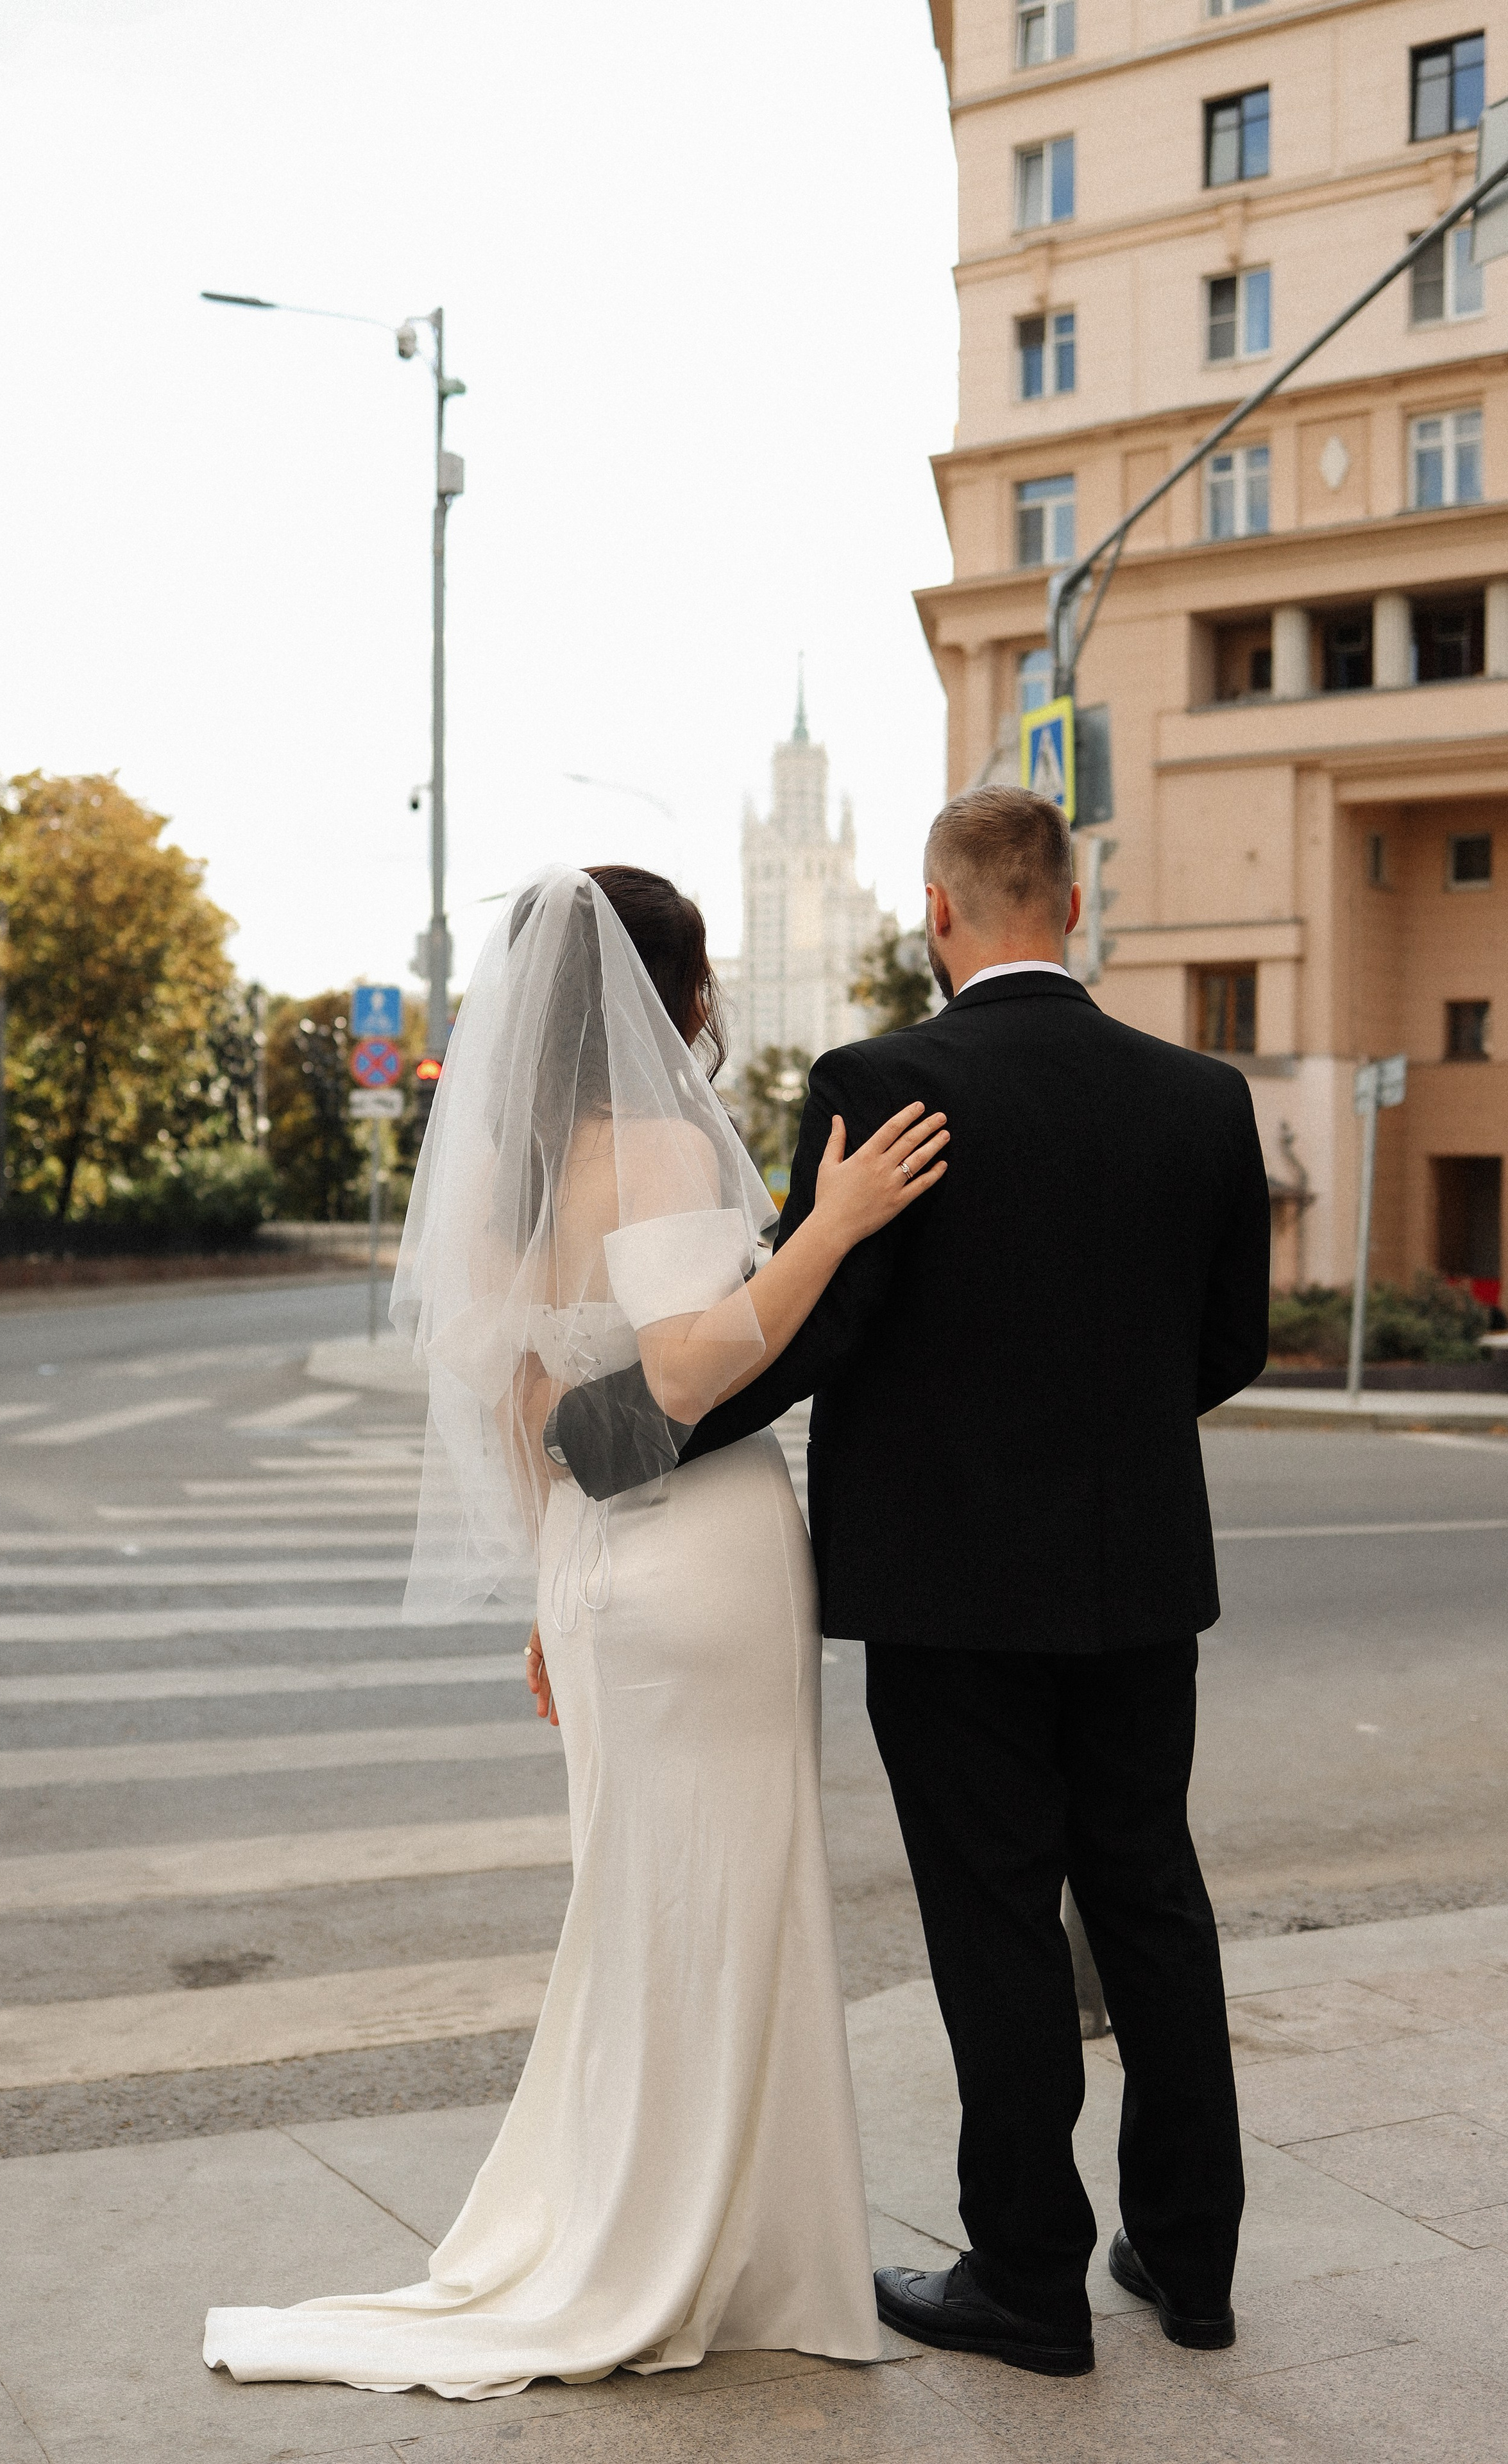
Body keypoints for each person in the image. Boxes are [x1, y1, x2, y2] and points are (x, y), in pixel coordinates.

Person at [202, 862, 947, 2400]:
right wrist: (833, 1221)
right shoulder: (663, 1140)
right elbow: (682, 1373)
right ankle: (708, 2246)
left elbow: (523, 1412)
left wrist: (552, 1600)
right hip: (702, 1560)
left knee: (642, 1903)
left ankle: (655, 2215)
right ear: (674, 995)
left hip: (602, 1570)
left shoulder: (513, 1174)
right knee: (725, 1895)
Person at [663, 785, 1271, 2379]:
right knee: (1151, 1900)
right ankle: (1191, 2266)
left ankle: (1027, 2279)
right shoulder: (1202, 1097)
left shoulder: (886, 1081)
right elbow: (1229, 1346)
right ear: (1069, 908)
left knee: (995, 1919)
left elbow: (820, 1329)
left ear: (937, 914)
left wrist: (636, 1436)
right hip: (1140, 1578)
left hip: (947, 1597)